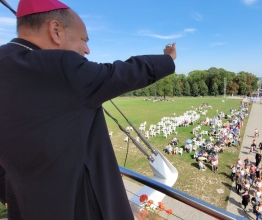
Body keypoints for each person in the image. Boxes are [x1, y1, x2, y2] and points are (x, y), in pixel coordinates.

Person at [0, 0, 177, 219]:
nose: (87, 49)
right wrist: (168, 59)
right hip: (80, 207)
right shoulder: (62, 66)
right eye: (84, 39)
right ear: (55, 31)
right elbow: (120, 73)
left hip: (25, 206)